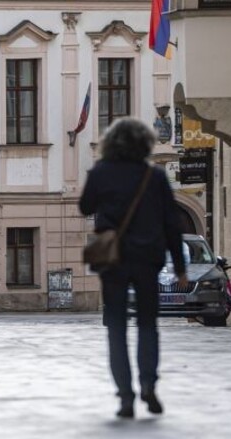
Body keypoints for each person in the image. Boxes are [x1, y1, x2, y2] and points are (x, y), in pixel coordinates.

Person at [79, 117, 187, 419]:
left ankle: (125, 396)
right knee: (148, 324)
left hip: (113, 259)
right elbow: (171, 223)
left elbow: (85, 207)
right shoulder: (154, 177)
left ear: (110, 143)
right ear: (145, 144)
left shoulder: (101, 172)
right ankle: (149, 384)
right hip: (148, 258)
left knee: (116, 327)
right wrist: (179, 266)